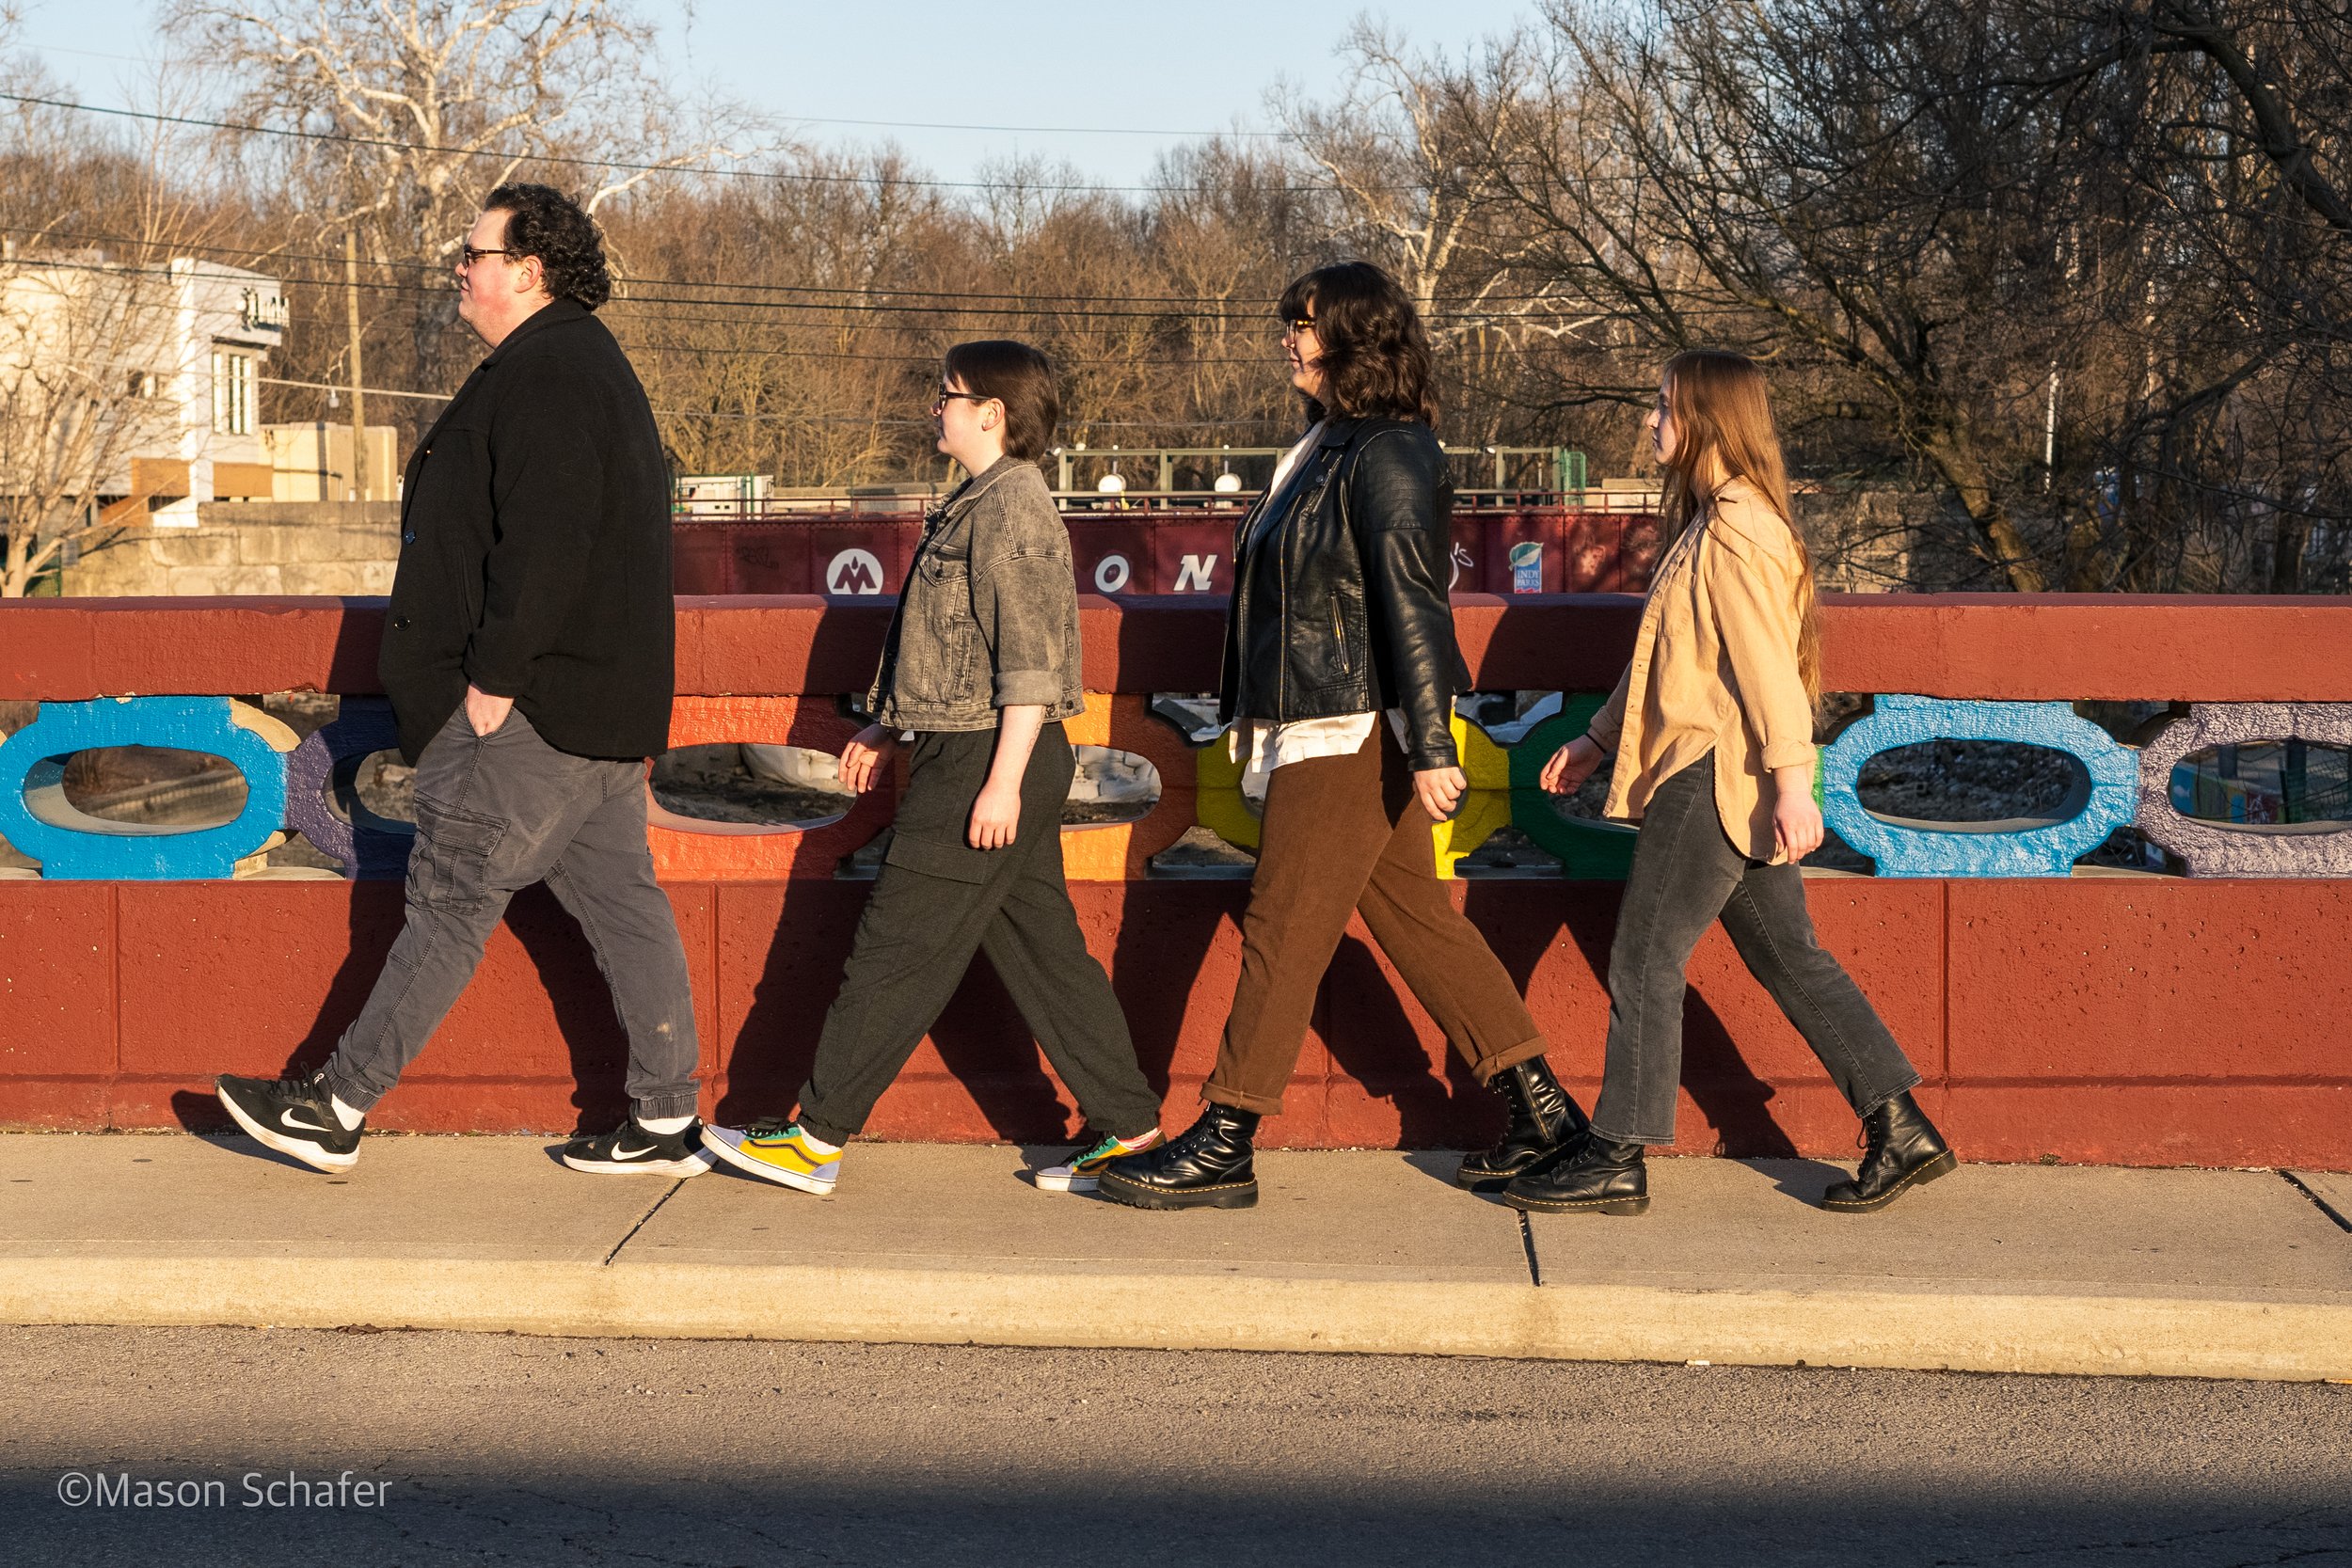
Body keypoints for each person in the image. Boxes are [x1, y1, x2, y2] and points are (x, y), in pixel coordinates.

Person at [214, 183, 707, 1178]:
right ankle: (662, 1119)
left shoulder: (551, 373)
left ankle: (336, 1105)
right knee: (623, 904)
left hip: (530, 713)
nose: (459, 267)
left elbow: (549, 542)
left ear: (527, 271)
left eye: (473, 252)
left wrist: (491, 680)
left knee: (446, 904)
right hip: (588, 710)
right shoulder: (563, 362)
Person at [1099, 261, 1586, 1212]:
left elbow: (1412, 601)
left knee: (1280, 926)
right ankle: (1545, 1118)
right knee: (1417, 925)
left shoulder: (1392, 451)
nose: (1289, 335)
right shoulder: (1326, 445)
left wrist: (1434, 742)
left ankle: (1228, 1133)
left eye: (1306, 322)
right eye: (1290, 320)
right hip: (1319, 718)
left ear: (1354, 338)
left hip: (1350, 726)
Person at [699, 341, 1164, 1196]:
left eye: (947, 396)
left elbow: (1029, 661)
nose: (934, 410)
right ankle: (1131, 1128)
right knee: (1045, 954)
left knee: (894, 948)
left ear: (992, 412)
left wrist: (1001, 781)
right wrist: (885, 728)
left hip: (989, 757)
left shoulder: (1014, 508)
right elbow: (942, 645)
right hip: (972, 747)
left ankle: (814, 1138)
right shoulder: (976, 501)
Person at [1505, 350, 1956, 1217]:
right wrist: (1600, 741)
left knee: (1642, 956)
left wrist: (1797, 783)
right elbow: (1679, 665)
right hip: (1725, 768)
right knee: (1793, 960)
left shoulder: (1738, 529)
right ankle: (1900, 1126)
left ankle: (1616, 1153)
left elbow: (1767, 675)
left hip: (1713, 775)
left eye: (1665, 408)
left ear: (1709, 418)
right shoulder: (1716, 522)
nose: (1652, 422)